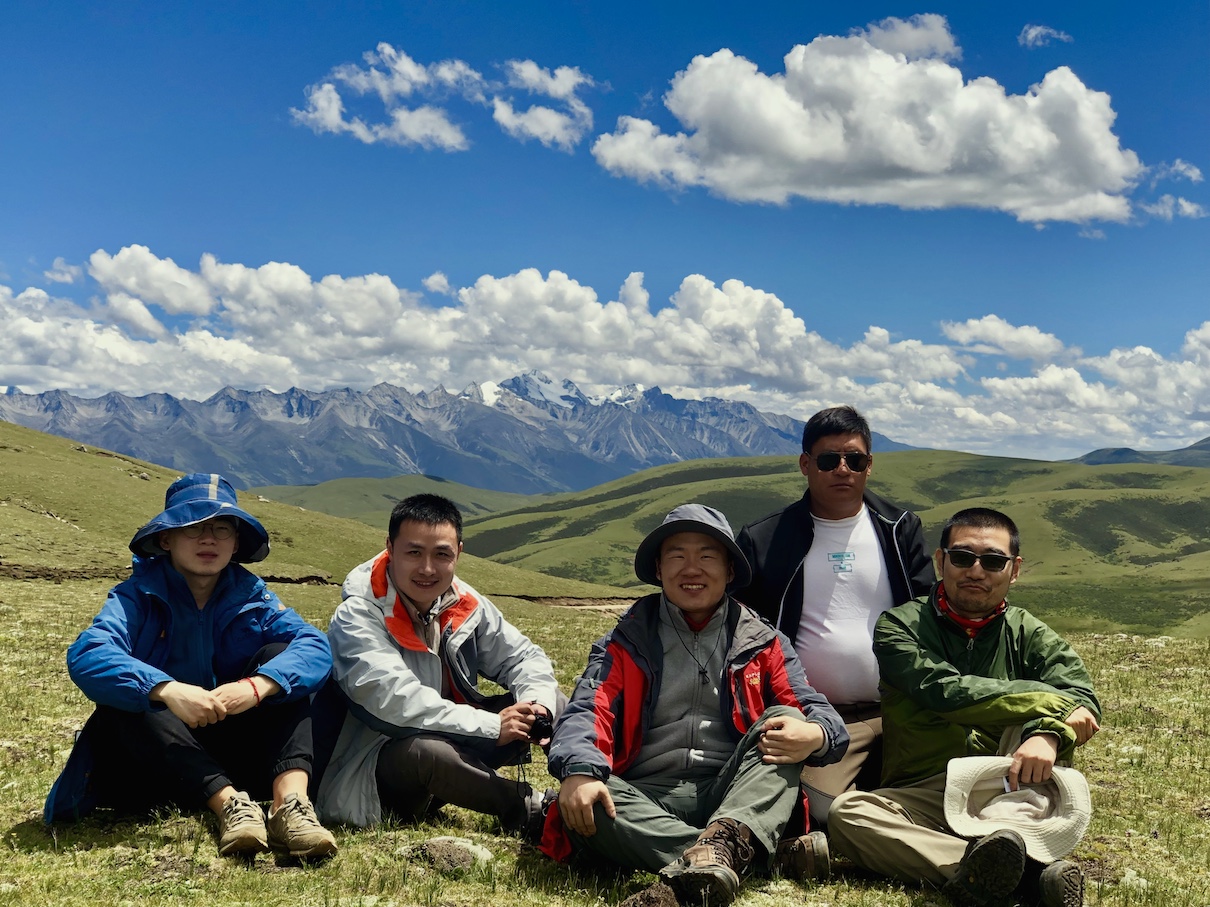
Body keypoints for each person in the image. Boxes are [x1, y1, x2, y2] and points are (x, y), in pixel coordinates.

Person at [543, 504, 849, 907]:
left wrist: (817, 734)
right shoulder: (626, 639)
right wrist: (580, 770)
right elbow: (587, 709)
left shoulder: (764, 641)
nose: (692, 569)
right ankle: (746, 855)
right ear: (658, 568)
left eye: (707, 556)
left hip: (735, 793)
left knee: (787, 721)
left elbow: (820, 715)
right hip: (644, 795)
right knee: (585, 799)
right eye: (677, 556)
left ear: (730, 571)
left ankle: (723, 840)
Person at [45, 473, 338, 860]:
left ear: (235, 544)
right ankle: (230, 806)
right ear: (166, 539)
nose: (208, 539)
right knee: (131, 697)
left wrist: (257, 686)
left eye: (221, 529)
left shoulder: (253, 596)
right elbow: (89, 653)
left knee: (280, 659)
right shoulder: (136, 596)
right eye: (193, 528)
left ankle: (291, 806)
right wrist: (167, 689)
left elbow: (314, 645)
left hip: (237, 749)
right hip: (159, 759)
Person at [828, 507, 1101, 907]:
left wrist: (1047, 733)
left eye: (992, 561)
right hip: (927, 790)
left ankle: (996, 857)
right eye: (962, 557)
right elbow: (946, 692)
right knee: (848, 814)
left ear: (1015, 569)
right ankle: (1013, 875)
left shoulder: (1031, 634)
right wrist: (1053, 703)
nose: (976, 570)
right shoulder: (898, 626)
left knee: (1030, 731)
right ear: (941, 561)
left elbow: (1084, 699)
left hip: (1010, 787)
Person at [317, 493, 561, 839]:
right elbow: (398, 704)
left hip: (450, 741)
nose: (428, 568)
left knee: (554, 703)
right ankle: (532, 809)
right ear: (390, 547)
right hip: (377, 774)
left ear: (458, 552)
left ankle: (587, 786)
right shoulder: (358, 616)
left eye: (441, 554)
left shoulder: (463, 602)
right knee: (426, 753)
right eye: (414, 552)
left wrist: (537, 705)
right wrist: (494, 725)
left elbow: (523, 657)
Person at [737, 404, 934, 825]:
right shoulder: (764, 539)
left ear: (869, 465)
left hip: (901, 709)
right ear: (806, 464)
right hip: (819, 719)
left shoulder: (900, 529)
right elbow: (743, 634)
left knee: (956, 781)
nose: (842, 470)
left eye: (854, 460)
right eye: (829, 460)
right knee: (812, 805)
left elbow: (929, 612)